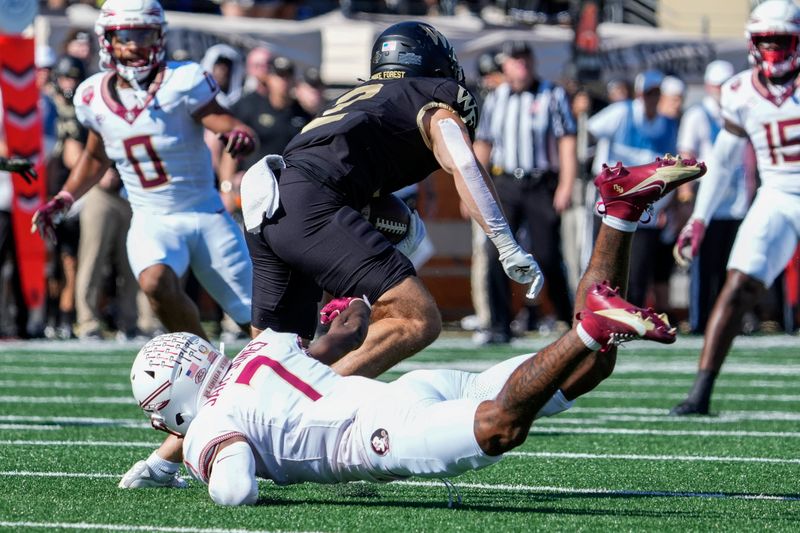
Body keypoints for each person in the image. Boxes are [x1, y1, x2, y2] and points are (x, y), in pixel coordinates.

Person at [125, 154, 705, 504]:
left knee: (501, 427)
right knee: (590, 369)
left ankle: (589, 328)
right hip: (405, 391)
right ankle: (618, 215)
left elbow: (235, 490)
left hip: (380, 435)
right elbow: (348, 330)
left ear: (170, 409)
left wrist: (202, 458)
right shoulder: (262, 348)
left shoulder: (210, 426)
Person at [30, 0, 257, 486]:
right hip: (152, 217)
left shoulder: (184, 78)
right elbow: (95, 155)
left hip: (206, 213)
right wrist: (65, 196)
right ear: (107, 40)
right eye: (126, 34)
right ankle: (207, 377)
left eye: (143, 32)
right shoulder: (92, 95)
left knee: (263, 325)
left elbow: (221, 120)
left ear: (159, 35)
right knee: (155, 280)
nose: (135, 43)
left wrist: (237, 134)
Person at [242, 21, 543, 378]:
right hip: (313, 201)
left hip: (268, 199)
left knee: (265, 363)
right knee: (416, 317)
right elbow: (463, 160)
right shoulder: (432, 96)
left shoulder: (365, 97)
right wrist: (505, 243)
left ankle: (217, 424)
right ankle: (307, 397)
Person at [671, 0, 800, 416]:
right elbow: (724, 161)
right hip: (777, 195)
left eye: (782, 42)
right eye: (766, 42)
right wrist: (700, 219)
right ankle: (700, 393)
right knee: (737, 286)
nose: (774, 52)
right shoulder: (741, 91)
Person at [473, 40, 578, 343]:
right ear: (505, 65)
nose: (521, 64)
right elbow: (484, 144)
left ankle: (567, 319)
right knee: (495, 252)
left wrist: (566, 185)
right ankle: (499, 325)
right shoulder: (496, 98)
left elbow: (567, 142)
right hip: (505, 184)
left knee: (546, 254)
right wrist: (473, 189)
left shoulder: (552, 95)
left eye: (525, 58)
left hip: (540, 182)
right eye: (515, 59)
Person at [588, 69, 679, 310]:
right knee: (604, 267)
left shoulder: (668, 125)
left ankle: (631, 319)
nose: (651, 99)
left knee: (637, 273)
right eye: (648, 93)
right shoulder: (621, 113)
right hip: (610, 209)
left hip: (647, 212)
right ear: (639, 94)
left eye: (656, 94)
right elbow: (588, 131)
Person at [674, 60, 750, 334]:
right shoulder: (697, 115)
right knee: (704, 267)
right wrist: (686, 199)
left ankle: (728, 321)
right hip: (708, 203)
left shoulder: (742, 111)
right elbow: (686, 156)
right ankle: (700, 321)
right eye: (718, 86)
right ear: (709, 87)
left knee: (732, 266)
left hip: (737, 202)